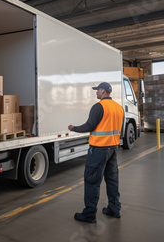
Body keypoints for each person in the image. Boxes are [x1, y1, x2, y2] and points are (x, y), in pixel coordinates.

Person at [68, 82, 123, 223]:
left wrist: (74, 128)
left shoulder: (99, 107)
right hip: (113, 149)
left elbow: (89, 125)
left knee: (92, 180)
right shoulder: (119, 108)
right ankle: (114, 209)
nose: (96, 92)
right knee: (112, 179)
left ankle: (89, 214)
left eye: (97, 90)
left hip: (99, 149)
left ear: (103, 91)